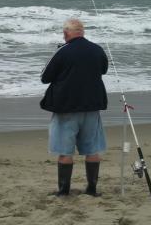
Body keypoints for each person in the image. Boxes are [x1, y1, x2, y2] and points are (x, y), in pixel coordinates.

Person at [40, 18, 108, 196]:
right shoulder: (97, 50)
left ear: (66, 33)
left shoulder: (63, 52)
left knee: (65, 151)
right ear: (82, 32)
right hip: (92, 106)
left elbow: (45, 77)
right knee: (92, 149)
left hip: (66, 107)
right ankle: (92, 189)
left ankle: (64, 191)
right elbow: (103, 69)